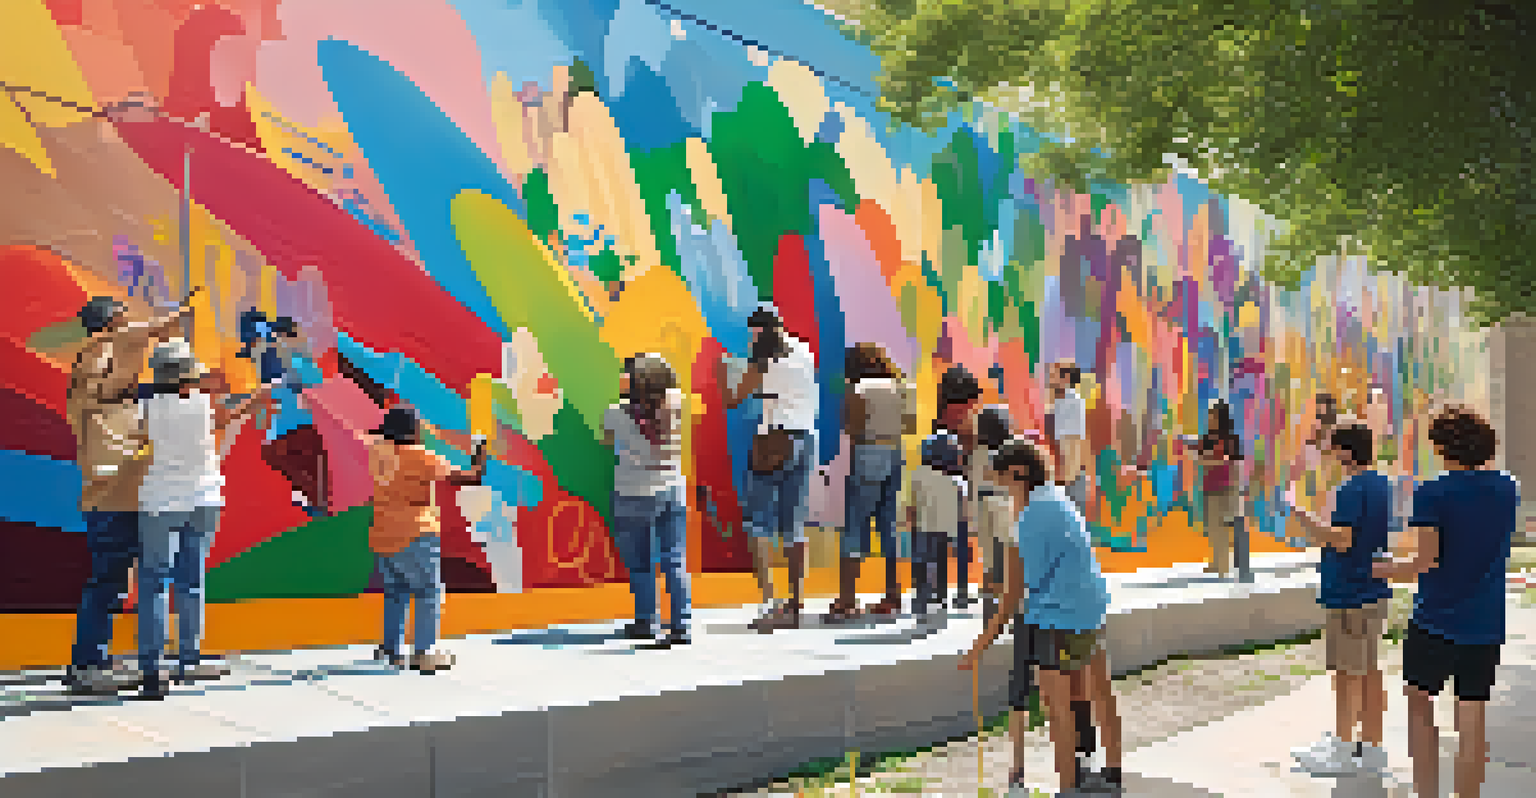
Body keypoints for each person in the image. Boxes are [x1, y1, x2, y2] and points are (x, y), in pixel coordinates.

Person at [959, 437, 1122, 795]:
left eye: (1001, 477)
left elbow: (1012, 594)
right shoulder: (1059, 499)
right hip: (1092, 608)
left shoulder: (1029, 518)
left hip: (1057, 618)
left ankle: (1067, 788)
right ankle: (1112, 773)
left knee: (1057, 708)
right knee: (1100, 691)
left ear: (1018, 474)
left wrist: (980, 646)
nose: (997, 483)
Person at [1373, 407, 1518, 798]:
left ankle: (1428, 794)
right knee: (1472, 715)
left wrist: (1379, 569)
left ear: (1444, 447)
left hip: (1435, 620)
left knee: (1420, 705)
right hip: (1486, 622)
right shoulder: (1508, 487)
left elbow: (1424, 561)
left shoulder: (1433, 492)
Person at [64, 290, 199, 695]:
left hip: (118, 495)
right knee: (107, 582)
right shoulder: (99, 349)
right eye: (123, 317)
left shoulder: (110, 395)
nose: (129, 326)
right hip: (111, 497)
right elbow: (135, 338)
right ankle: (87, 665)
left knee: (114, 583)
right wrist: (172, 321)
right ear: (108, 323)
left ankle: (95, 659)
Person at [134, 341, 269, 699]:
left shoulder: (144, 407)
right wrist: (257, 398)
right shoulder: (202, 404)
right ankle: (188, 660)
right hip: (204, 500)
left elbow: (134, 440)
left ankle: (153, 668)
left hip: (159, 501)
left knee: (155, 583)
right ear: (185, 378)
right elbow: (229, 416)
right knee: (191, 581)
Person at [1286, 423, 1393, 776]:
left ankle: (1344, 750)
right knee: (1369, 671)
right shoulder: (1381, 483)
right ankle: (1370, 747)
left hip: (1349, 592)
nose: (1330, 454)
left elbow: (1342, 539)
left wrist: (1302, 516)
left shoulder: (1350, 489)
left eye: (1334, 448)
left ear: (1347, 451)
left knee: (1346, 673)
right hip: (1372, 591)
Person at [718, 305, 818, 632]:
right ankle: (796, 602)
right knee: (795, 524)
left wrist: (723, 376)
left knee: (760, 523)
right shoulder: (803, 350)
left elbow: (734, 400)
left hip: (773, 440)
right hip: (805, 438)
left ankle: (770, 604)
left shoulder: (762, 361)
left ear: (757, 331)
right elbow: (786, 390)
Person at [366, 407, 487, 672]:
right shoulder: (421, 456)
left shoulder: (378, 453)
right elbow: (471, 477)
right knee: (427, 592)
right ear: (412, 431)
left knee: (395, 593)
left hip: (383, 533)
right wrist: (480, 453)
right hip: (415, 533)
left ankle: (390, 649)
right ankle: (424, 652)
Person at [604, 354, 691, 645]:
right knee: (674, 560)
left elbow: (607, 441)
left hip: (633, 492)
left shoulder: (615, 413)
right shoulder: (676, 405)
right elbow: (670, 386)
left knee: (640, 564)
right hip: (672, 491)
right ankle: (681, 626)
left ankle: (646, 621)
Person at [828, 342, 916, 620]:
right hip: (895, 452)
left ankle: (847, 599)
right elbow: (910, 426)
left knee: (855, 525)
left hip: (868, 451)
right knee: (888, 527)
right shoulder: (903, 387)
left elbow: (850, 427)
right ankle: (893, 595)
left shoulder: (858, 389)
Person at [261, 317, 330, 518]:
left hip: (298, 430)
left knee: (312, 480)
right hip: (300, 430)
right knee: (313, 479)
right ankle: (316, 507)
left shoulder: (297, 363)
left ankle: (317, 508)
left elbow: (308, 394)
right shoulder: (300, 364)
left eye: (275, 338)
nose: (272, 343)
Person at [935, 365, 985, 609]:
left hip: (940, 482)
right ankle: (963, 591)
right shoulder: (968, 413)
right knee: (962, 540)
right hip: (962, 483)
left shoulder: (940, 415)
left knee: (941, 539)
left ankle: (940, 591)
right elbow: (970, 443)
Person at [907, 432, 964, 618]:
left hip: (924, 526)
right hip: (947, 528)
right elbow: (962, 507)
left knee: (922, 563)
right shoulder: (958, 480)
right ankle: (941, 596)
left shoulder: (920, 474)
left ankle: (921, 599)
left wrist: (910, 524)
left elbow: (913, 503)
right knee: (941, 561)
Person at [971, 404, 1017, 627]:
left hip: (985, 502)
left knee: (990, 559)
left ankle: (991, 614)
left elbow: (974, 482)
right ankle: (1003, 610)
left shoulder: (979, 452)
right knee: (1004, 557)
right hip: (1002, 502)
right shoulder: (1010, 450)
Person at [1199, 400, 1245, 577]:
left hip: (1228, 487)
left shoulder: (1231, 439)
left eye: (1214, 416)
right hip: (1210, 486)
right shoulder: (1206, 438)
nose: (1210, 419)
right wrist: (1217, 460)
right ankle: (1216, 562)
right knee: (1213, 526)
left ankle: (1223, 565)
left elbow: (1234, 463)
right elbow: (1203, 461)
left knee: (1225, 526)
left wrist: (1215, 461)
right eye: (1210, 416)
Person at [1049, 362, 1090, 512]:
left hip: (1069, 475)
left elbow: (1071, 442)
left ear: (1066, 378)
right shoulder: (1064, 401)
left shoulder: (1070, 402)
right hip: (1067, 473)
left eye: (1054, 374)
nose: (1050, 378)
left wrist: (1064, 479)